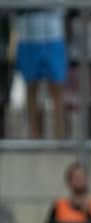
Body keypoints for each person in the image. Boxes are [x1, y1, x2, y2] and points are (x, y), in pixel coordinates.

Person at [15, 8, 67, 139]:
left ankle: (59, 138)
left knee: (57, 90)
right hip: (27, 37)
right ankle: (34, 137)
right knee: (31, 88)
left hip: (54, 35)